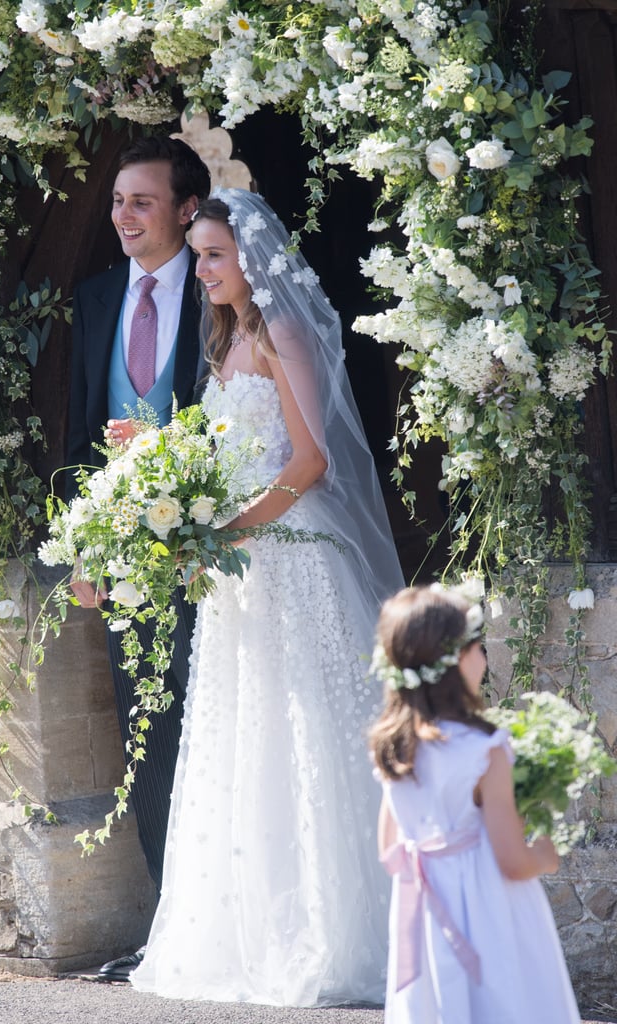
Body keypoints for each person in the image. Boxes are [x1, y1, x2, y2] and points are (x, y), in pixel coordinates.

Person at [130, 188, 405, 1006]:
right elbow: (230, 452)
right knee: (244, 734)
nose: (204, 268)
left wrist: (227, 533)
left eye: (215, 255)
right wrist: (158, 459)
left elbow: (310, 459)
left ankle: (331, 932)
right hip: (241, 567)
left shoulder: (281, 331)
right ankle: (251, 929)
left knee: (303, 730)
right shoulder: (227, 339)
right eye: (201, 255)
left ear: (253, 259)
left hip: (285, 554)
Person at [66, 135, 211, 981]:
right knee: (146, 735)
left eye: (142, 201)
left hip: (218, 557)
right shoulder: (92, 299)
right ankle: (171, 933)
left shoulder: (225, 291)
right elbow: (81, 432)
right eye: (119, 200)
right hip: (123, 562)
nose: (124, 215)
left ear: (186, 209)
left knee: (217, 729)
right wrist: (84, 546)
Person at [369, 585, 581, 1023]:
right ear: (457, 662)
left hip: (426, 915)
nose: (482, 657)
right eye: (478, 647)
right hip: (488, 909)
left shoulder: (393, 746)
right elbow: (511, 861)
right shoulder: (485, 749)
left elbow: (390, 849)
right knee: (501, 1000)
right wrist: (544, 854)